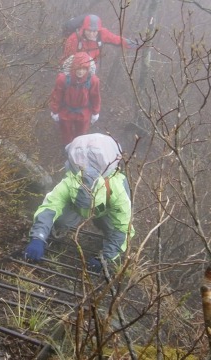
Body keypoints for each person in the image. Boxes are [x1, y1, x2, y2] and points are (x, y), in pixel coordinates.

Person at [24, 133, 133, 272]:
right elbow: (49, 207)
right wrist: (38, 237)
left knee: (113, 229)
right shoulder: (70, 183)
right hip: (78, 204)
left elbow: (123, 228)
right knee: (60, 220)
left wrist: (106, 257)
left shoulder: (118, 192)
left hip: (106, 209)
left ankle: (106, 235)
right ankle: (58, 229)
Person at [50, 52, 101, 146]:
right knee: (66, 133)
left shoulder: (93, 80)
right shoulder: (63, 79)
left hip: (83, 112)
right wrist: (55, 110)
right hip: (66, 111)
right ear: (73, 67)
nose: (80, 72)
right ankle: (68, 148)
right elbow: (57, 95)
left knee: (81, 135)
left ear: (88, 69)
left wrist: (95, 112)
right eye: (78, 68)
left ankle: (77, 149)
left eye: (84, 69)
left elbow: (95, 97)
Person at [61, 14, 138, 68]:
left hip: (92, 66)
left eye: (94, 31)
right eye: (89, 30)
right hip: (75, 69)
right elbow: (66, 59)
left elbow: (117, 40)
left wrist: (138, 44)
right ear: (83, 28)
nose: (91, 34)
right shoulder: (74, 39)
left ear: (98, 30)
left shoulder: (102, 33)